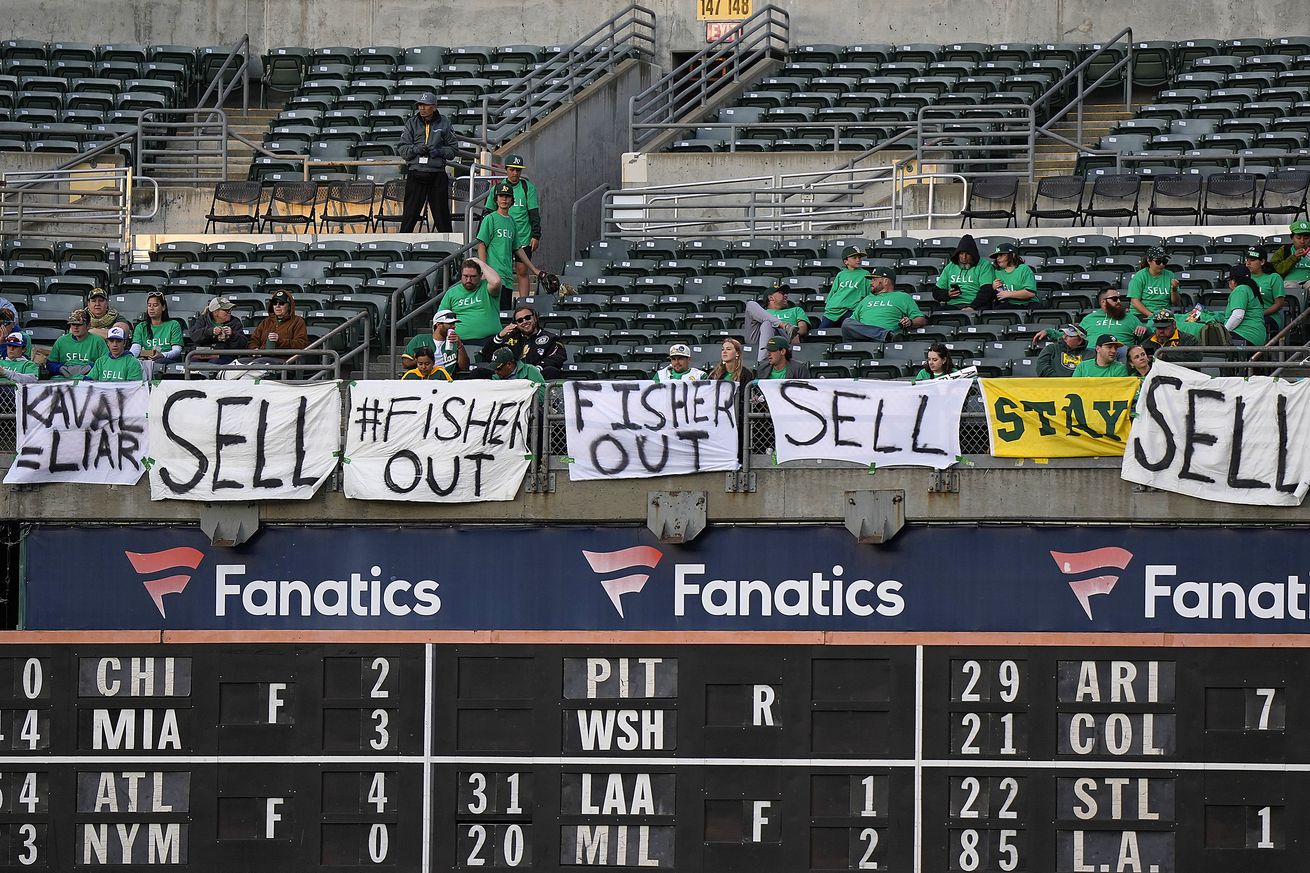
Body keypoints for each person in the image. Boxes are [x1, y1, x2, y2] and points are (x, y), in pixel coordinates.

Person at [482, 154, 542, 301]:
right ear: (506, 169)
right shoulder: (497, 188)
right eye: (512, 169)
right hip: (502, 237)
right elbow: (487, 211)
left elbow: (534, 212)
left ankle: (523, 303)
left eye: (518, 170)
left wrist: (536, 234)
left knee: (522, 270)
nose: (515, 173)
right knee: (501, 268)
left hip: (523, 235)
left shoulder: (528, 187)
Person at [397, 91, 456, 233]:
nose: (422, 108)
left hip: (437, 174)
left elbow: (453, 150)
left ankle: (449, 247)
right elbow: (402, 149)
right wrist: (415, 149)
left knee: (442, 215)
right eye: (420, 105)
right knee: (409, 214)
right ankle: (403, 247)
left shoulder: (444, 123)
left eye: (426, 105)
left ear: (434, 107)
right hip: (416, 173)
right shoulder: (411, 123)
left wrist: (440, 152)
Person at [841, 266, 927, 342]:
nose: (871, 283)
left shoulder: (903, 297)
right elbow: (852, 323)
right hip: (862, 339)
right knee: (847, 323)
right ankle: (885, 335)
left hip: (883, 342)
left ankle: (884, 336)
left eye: (874, 280)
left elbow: (921, 320)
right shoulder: (866, 299)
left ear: (885, 281)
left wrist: (910, 322)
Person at [482, 305, 567, 379]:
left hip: (535, 376)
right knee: (479, 372)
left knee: (551, 371)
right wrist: (499, 336)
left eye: (527, 318)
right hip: (509, 376)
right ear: (516, 324)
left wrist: (536, 369)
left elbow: (558, 357)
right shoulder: (509, 338)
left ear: (535, 318)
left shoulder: (551, 338)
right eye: (520, 320)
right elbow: (487, 355)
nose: (524, 322)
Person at [1194, 266, 1265, 350]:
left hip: (1245, 335)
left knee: (1207, 335)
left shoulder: (1240, 289)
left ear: (1234, 281)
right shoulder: (1249, 289)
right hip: (1255, 336)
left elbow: (1238, 316)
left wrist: (1223, 333)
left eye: (1229, 280)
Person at [438, 257, 503, 348]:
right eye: (465, 276)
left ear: (481, 275)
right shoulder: (451, 293)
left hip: (489, 340)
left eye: (473, 276)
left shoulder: (487, 288)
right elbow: (440, 318)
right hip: (459, 341)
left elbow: (496, 282)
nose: (468, 280)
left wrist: (481, 263)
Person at [743, 286, 810, 362]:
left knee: (767, 324)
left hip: (783, 336)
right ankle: (783, 325)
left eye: (786, 294)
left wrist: (796, 333)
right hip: (759, 338)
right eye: (781, 293)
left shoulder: (796, 310)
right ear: (771, 297)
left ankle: (762, 362)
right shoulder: (762, 312)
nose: (786, 296)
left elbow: (803, 327)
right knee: (750, 304)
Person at [933, 234, 995, 311]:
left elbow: (987, 291)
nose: (964, 257)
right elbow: (936, 292)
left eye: (967, 254)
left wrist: (972, 306)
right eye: (961, 253)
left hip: (977, 306)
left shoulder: (984, 265)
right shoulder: (950, 267)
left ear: (973, 254)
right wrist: (947, 294)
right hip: (953, 306)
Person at [131, 291, 184, 377]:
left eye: (155, 305)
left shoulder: (173, 324)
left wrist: (162, 355)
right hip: (146, 360)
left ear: (163, 307)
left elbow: (177, 351)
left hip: (166, 361)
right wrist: (128, 358)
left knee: (157, 363)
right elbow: (135, 349)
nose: (151, 308)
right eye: (149, 305)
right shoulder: (141, 326)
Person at [403, 309, 469, 375]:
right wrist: (421, 360)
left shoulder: (455, 343)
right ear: (438, 324)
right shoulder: (419, 339)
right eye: (450, 324)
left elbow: (464, 367)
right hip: (422, 379)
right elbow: (405, 363)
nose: (453, 326)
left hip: (447, 380)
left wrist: (460, 346)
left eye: (453, 324)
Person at [1078, 285, 1148, 347]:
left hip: (1122, 356)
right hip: (1092, 355)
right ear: (1103, 302)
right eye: (1114, 299)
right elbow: (1078, 338)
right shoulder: (1089, 319)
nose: (1118, 301)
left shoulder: (1131, 318)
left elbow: (1147, 336)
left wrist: (1145, 329)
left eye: (1119, 298)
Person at [47, 308, 107, 379]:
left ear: (88, 325)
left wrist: (90, 368)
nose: (75, 327)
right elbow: (50, 363)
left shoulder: (97, 340)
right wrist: (60, 368)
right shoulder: (61, 340)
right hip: (63, 377)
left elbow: (106, 363)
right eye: (73, 324)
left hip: (88, 377)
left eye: (79, 324)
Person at [820, 245, 871, 327]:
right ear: (846, 262)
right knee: (821, 332)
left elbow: (869, 294)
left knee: (848, 332)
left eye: (859, 257)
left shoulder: (865, 274)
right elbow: (833, 292)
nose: (858, 260)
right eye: (854, 258)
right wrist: (829, 306)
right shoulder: (841, 274)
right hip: (833, 310)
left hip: (851, 310)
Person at [1126, 246, 1180, 320]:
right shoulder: (1140, 276)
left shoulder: (1170, 275)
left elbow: (1175, 302)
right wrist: (1152, 315)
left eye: (1164, 261)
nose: (1161, 264)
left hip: (1163, 314)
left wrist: (1174, 289)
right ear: (1149, 261)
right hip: (1141, 315)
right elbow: (1135, 301)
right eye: (1158, 261)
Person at [190, 296, 248, 364]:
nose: (229, 312)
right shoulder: (203, 319)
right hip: (202, 354)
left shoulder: (235, 322)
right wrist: (211, 331)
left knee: (214, 363)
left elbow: (243, 343)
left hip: (224, 355)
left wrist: (232, 335)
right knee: (193, 364)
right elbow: (194, 335)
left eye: (230, 310)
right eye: (226, 310)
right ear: (215, 312)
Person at [1244, 246, 1286, 337]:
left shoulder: (1274, 277)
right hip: (1245, 316)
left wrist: (1259, 314)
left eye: (1252, 260)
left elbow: (1279, 304)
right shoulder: (1243, 278)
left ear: (1262, 262)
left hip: (1268, 317)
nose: (1248, 263)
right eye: (1247, 259)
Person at [989, 243, 1036, 308]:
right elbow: (998, 296)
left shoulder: (1024, 269)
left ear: (1012, 255)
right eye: (997, 256)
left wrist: (1008, 294)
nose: (998, 258)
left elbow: (1030, 293)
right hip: (1008, 305)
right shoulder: (997, 272)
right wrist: (993, 287)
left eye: (1001, 255)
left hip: (1027, 304)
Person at [1271, 219, 1310, 293]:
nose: (1302, 241)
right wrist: (1293, 258)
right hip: (1290, 281)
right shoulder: (1285, 250)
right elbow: (1276, 269)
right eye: (1298, 238)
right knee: (1289, 288)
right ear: (1292, 238)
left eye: (1306, 238)